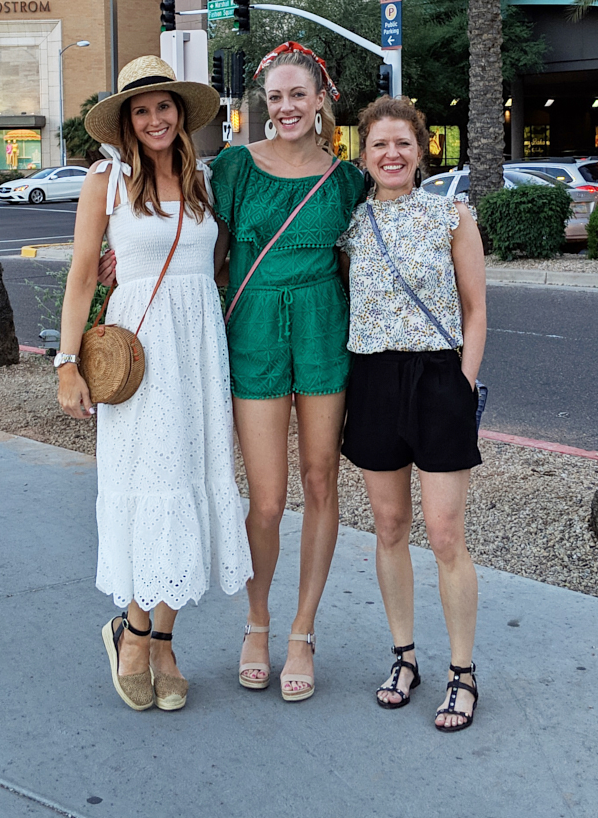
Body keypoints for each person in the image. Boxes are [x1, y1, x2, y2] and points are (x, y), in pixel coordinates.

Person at [56, 55, 252, 714]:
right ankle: (134, 634)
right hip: (138, 360)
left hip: (197, 353)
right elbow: (84, 275)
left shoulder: (202, 180)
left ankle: (162, 640)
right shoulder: (103, 182)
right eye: (141, 111)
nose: (154, 119)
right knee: (152, 489)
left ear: (181, 113)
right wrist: (65, 362)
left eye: (163, 107)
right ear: (125, 123)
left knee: (189, 485)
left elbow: (218, 266)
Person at [210, 43, 366, 702]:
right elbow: (201, 250)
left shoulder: (349, 179)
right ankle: (257, 621)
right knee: (268, 499)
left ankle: (302, 630)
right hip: (254, 334)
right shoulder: (236, 168)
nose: (286, 108)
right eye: (275, 97)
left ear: (322, 98)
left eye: (298, 94)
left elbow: (372, 264)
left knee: (320, 480)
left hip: (325, 331)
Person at [337, 96, 487, 732]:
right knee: (390, 526)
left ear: (422, 151)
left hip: (437, 378)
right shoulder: (349, 223)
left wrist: (463, 382)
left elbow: (476, 309)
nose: (391, 154)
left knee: (445, 533)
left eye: (402, 143)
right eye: (378, 145)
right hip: (371, 378)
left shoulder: (452, 216)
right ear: (363, 155)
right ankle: (404, 657)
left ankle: (462, 672)